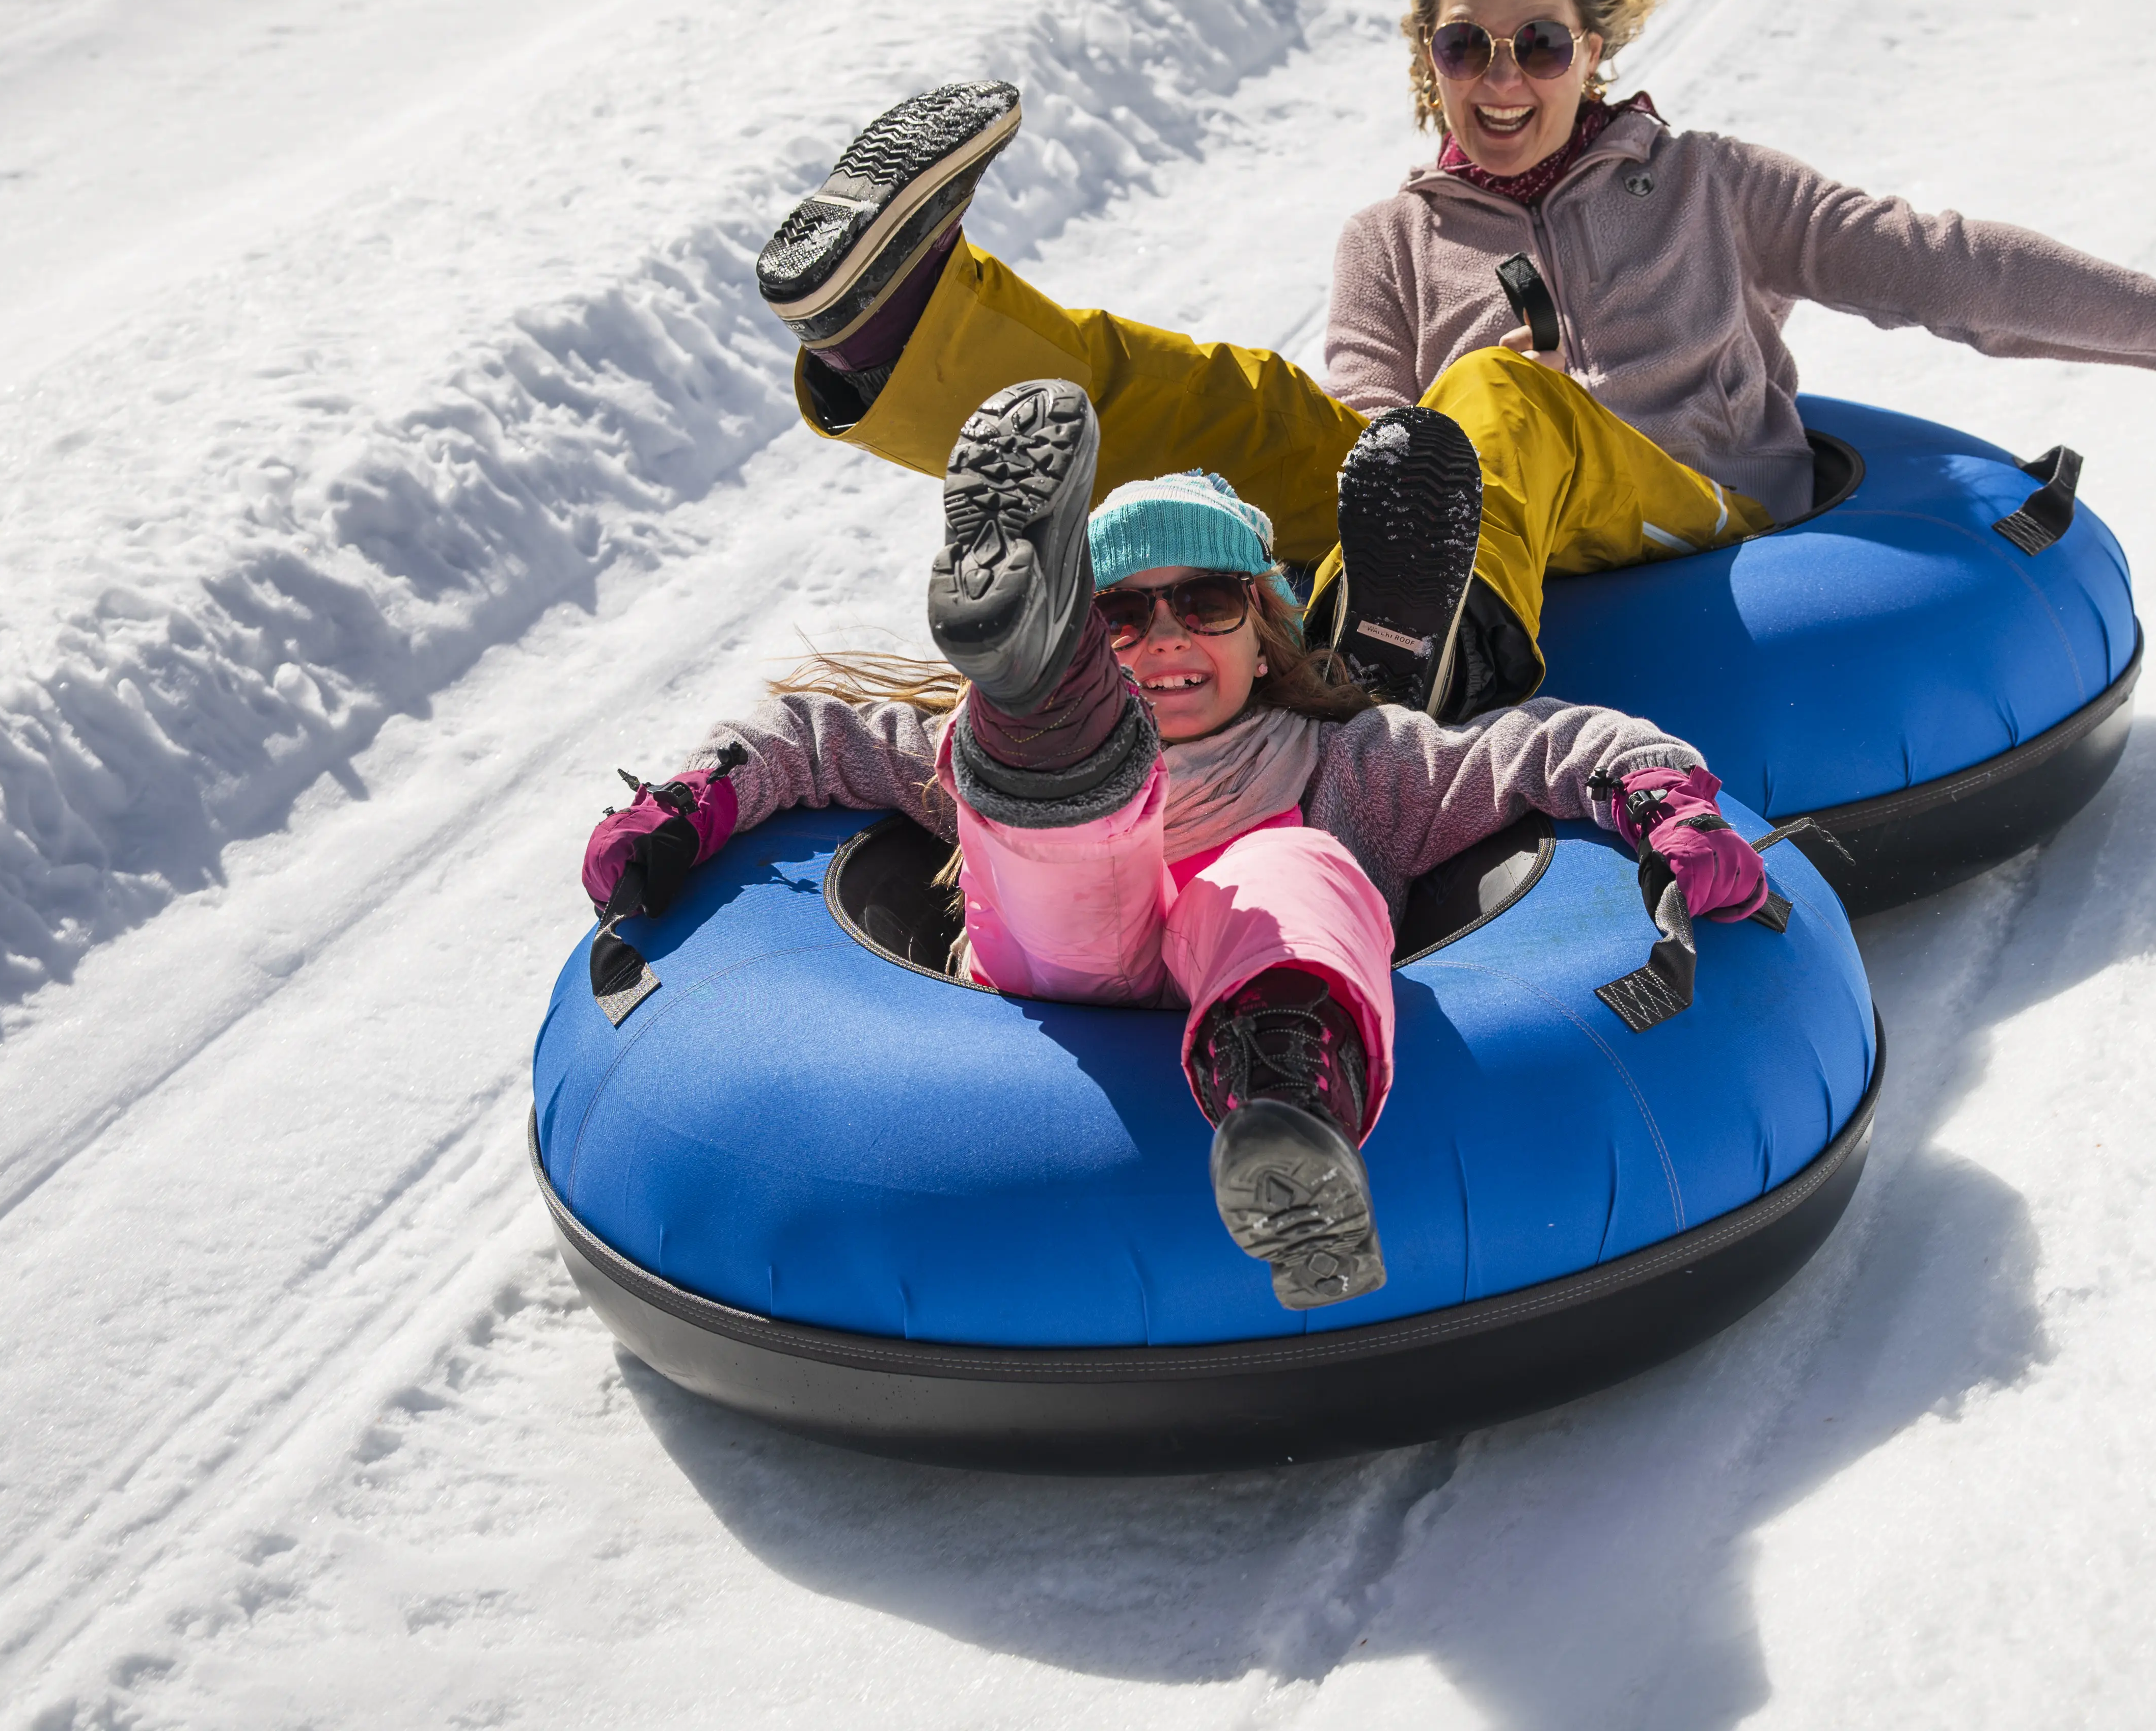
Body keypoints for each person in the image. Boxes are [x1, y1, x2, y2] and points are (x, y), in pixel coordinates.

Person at [754, 0, 2156, 720]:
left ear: (1595, 54)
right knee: (1247, 407)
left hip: (1682, 502)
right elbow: (1365, 421)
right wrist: (1362, 477)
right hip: (1457, 487)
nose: (1503, 76)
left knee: (1505, 409)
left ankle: (1426, 664)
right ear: (1427, 67)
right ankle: (898, 326)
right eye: (1467, 47)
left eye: (1538, 43)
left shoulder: (1713, 182)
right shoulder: (1390, 233)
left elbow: (1935, 263)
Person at [579, 381, 1775, 1310]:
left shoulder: (1357, 763)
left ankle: (1291, 1116)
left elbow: (1547, 743)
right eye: (1117, 614)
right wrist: (690, 801)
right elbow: (810, 732)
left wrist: (1664, 799)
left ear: (1267, 631)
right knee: (1044, 814)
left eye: (1206, 602)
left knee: (1286, 869)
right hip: (1058, 958)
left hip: (1263, 988)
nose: (1166, 635)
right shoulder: (955, 754)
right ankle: (1047, 711)